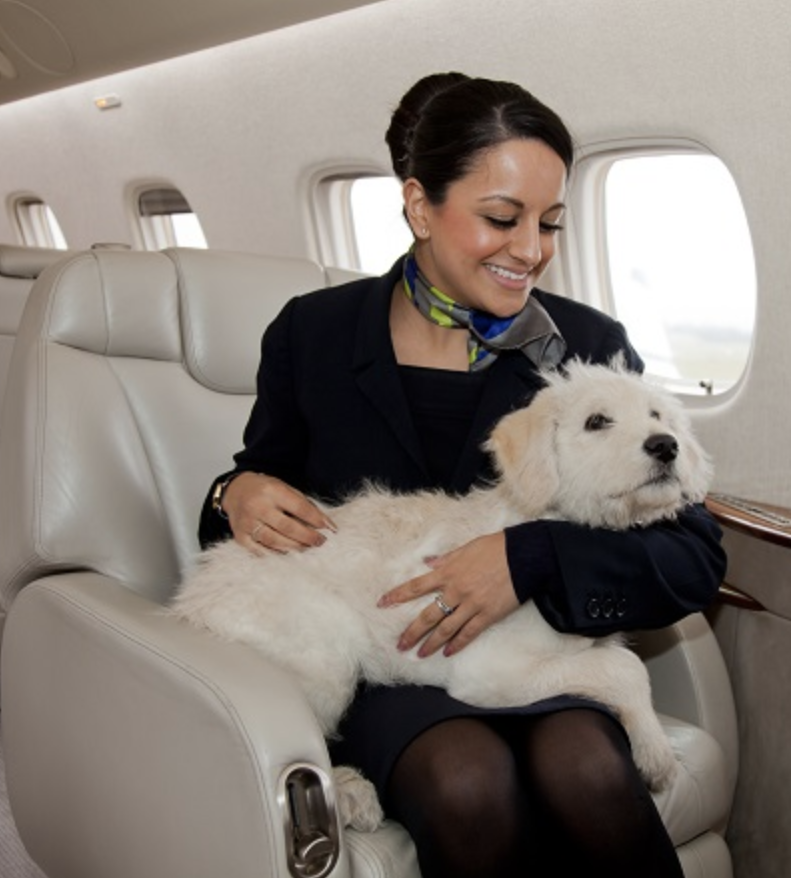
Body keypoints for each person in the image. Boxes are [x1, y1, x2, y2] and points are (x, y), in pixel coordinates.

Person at [198, 72, 726, 878]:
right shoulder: (313, 333)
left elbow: (694, 552)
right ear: (419, 206)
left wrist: (528, 560)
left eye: (549, 223)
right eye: (501, 218)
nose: (531, 251)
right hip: (384, 655)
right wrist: (233, 493)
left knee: (586, 769)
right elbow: (256, 502)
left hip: (536, 641)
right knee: (466, 782)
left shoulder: (586, 347)